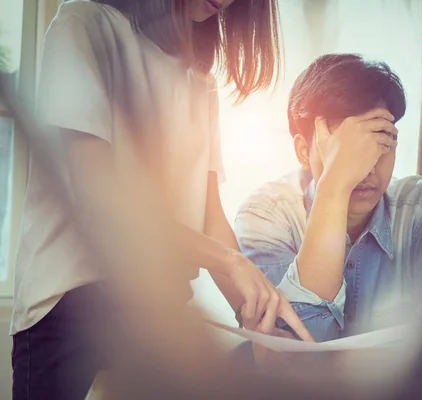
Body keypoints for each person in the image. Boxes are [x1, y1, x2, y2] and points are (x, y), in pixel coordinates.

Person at [11, 0, 313, 399]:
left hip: (157, 308)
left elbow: (209, 217)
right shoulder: (82, 24)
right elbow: (101, 203)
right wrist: (229, 261)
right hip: (69, 303)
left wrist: (255, 317)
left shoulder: (199, 80)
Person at [234, 53, 422, 367]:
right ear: (302, 151)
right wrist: (333, 189)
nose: (366, 169)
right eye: (346, 150)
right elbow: (291, 363)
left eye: (379, 143)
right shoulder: (266, 217)